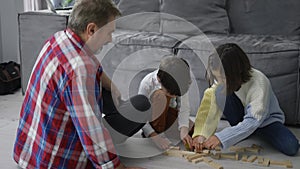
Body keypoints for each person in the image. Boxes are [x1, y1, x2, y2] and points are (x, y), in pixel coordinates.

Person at [13, 0, 150, 168]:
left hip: (29, 151)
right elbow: (91, 133)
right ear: (91, 29)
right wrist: (114, 166)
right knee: (143, 105)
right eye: (108, 33)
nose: (110, 39)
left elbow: (85, 58)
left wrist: (107, 82)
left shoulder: (58, 38)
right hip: (55, 161)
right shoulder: (80, 69)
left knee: (122, 99)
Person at [192, 43, 299, 156]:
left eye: (222, 78)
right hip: (240, 117)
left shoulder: (259, 82)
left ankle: (248, 132)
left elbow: (253, 120)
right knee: (216, 91)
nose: (220, 81)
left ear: (236, 73)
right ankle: (243, 131)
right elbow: (209, 106)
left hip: (265, 121)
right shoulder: (221, 81)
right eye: (217, 77)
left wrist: (221, 137)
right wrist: (201, 135)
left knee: (291, 146)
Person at [138, 56, 193, 150]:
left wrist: (184, 130)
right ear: (159, 80)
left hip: (168, 115)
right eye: (171, 94)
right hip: (154, 118)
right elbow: (140, 115)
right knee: (161, 96)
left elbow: (184, 108)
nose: (174, 97)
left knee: (192, 130)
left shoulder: (182, 82)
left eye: (176, 95)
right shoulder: (147, 83)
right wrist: (155, 136)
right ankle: (157, 132)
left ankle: (167, 131)